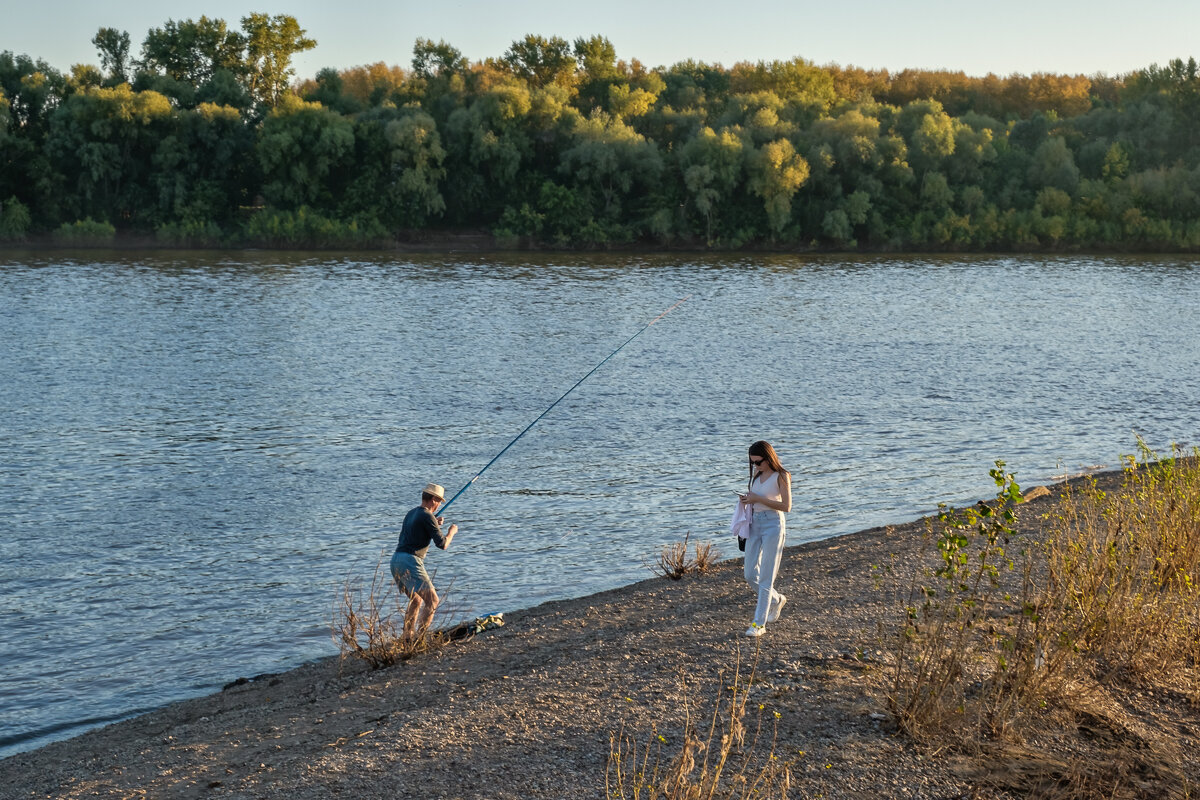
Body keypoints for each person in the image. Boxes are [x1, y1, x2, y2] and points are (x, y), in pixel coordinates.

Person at [737, 441, 792, 637]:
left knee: (767, 577)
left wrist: (757, 499)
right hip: (755, 524)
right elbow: (756, 498)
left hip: (773, 525)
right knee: (750, 574)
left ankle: (758, 624)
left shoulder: (782, 476)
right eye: (752, 463)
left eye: (758, 462)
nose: (756, 466)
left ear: (769, 458)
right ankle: (776, 600)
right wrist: (747, 500)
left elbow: (786, 506)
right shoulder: (757, 475)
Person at [391, 482, 458, 639]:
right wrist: (451, 532)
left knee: (416, 599)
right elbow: (442, 544)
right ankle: (421, 638)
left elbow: (418, 527)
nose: (438, 505)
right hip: (410, 560)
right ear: (433, 499)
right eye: (439, 502)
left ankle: (407, 636)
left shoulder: (412, 513)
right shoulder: (427, 516)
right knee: (432, 600)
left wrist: (434, 521)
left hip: (395, 560)